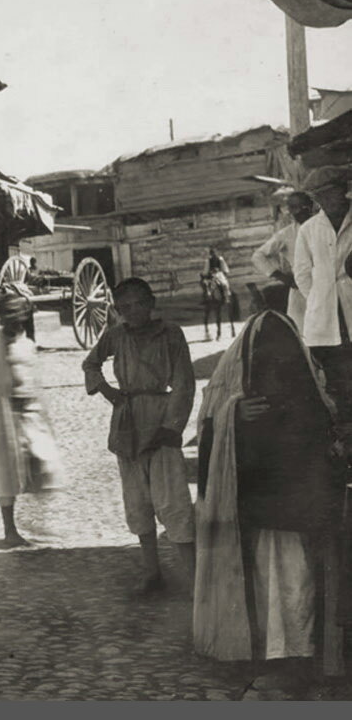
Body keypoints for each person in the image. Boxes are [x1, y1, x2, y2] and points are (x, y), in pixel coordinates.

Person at [194, 309, 343, 674]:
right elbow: (209, 432)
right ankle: (271, 651)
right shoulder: (235, 393)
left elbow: (322, 430)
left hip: (292, 510)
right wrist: (235, 415)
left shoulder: (308, 389)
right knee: (270, 582)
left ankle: (297, 652)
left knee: (296, 584)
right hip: (262, 514)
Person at [83, 277, 196, 596]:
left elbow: (185, 383)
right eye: (123, 307)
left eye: (138, 304)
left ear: (151, 304)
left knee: (172, 502)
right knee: (137, 502)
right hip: (126, 425)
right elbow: (90, 364)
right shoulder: (116, 335)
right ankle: (152, 572)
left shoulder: (171, 334)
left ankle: (196, 580)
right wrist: (108, 392)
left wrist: (172, 428)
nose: (131, 312)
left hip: (160, 423)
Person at [0, 293, 64, 547]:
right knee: (7, 475)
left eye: (18, 317)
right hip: (3, 417)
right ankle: (10, 530)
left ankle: (36, 521)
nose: (13, 323)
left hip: (31, 413)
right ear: (0, 320)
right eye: (7, 319)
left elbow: (36, 380)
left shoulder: (28, 346)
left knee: (43, 463)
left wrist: (39, 409)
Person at [293, 166, 352, 425]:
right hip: (326, 319)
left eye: (332, 193)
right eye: (321, 196)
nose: (328, 201)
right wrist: (321, 297)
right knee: (339, 383)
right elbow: (302, 274)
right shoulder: (309, 229)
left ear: (344, 190)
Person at [252, 191, 316, 334]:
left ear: (311, 207)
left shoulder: (323, 227)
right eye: (294, 209)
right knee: (304, 333)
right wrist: (282, 277)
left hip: (325, 286)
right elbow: (258, 256)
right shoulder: (286, 234)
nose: (299, 213)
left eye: (303, 208)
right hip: (300, 292)